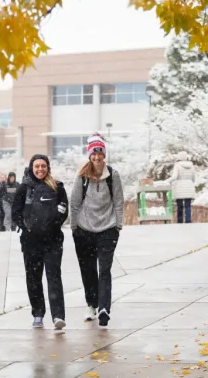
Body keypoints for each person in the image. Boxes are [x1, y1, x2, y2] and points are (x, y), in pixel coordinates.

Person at [70, 133, 124, 327]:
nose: (97, 157)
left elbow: (118, 201)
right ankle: (91, 305)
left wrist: (118, 225)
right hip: (84, 230)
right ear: (89, 155)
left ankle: (104, 308)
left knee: (105, 270)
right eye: (94, 153)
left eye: (100, 153)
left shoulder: (113, 175)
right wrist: (74, 227)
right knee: (88, 270)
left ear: (104, 154)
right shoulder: (82, 176)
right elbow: (74, 203)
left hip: (108, 229)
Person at [12, 155, 69, 330]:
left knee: (54, 277)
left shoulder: (57, 187)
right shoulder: (24, 188)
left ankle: (58, 315)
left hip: (52, 241)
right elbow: (16, 213)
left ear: (48, 167)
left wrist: (52, 225)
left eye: (43, 166)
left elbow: (64, 210)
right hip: (31, 242)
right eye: (37, 166)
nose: (40, 169)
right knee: (33, 278)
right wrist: (26, 227)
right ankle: (38, 313)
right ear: (31, 168)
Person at [167, 151, 196, 224]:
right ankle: (188, 221)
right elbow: (194, 178)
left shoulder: (177, 165)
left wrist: (167, 181)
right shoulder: (191, 165)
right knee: (188, 205)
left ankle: (180, 221)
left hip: (179, 187)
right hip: (189, 187)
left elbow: (175, 176)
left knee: (180, 206)